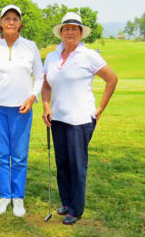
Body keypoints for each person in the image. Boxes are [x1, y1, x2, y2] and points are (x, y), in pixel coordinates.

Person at [42, 12, 118, 225]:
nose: (70, 32)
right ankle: (66, 202)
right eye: (66, 28)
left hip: (81, 120)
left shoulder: (89, 55)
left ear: (81, 32)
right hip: (57, 118)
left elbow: (112, 79)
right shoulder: (52, 57)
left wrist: (100, 108)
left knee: (77, 164)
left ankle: (76, 209)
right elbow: (46, 85)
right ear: (61, 32)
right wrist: (46, 106)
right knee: (63, 163)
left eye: (75, 28)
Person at [0, 5, 44, 217]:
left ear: (20, 24)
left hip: (22, 109)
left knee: (19, 156)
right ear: (1, 22)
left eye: (15, 18)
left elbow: (39, 77)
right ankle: (5, 196)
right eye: (7, 18)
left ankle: (18, 197)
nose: (11, 22)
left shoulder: (30, 47)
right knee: (0, 155)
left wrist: (33, 97)